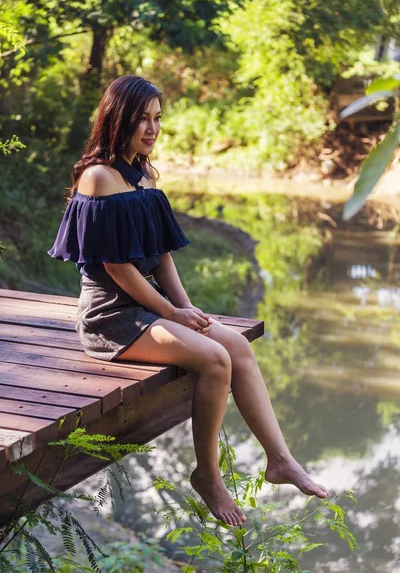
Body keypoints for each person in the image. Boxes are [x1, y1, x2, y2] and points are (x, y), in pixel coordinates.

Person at [48, 74, 328, 527]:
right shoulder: (98, 178)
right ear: (117, 119)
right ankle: (209, 476)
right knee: (216, 360)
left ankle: (281, 460)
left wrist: (189, 311)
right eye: (142, 118)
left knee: (235, 345)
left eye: (158, 119)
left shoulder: (145, 177)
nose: (152, 129)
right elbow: (118, 269)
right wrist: (170, 312)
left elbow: (162, 260)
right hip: (110, 318)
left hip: (148, 308)